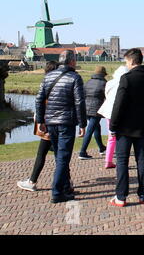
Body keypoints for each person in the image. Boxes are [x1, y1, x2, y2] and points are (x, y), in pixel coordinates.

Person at [109, 49, 144, 207]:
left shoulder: (127, 78)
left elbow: (119, 105)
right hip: (142, 124)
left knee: (122, 161)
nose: (126, 65)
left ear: (131, 61)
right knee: (142, 159)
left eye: (126, 62)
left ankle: (121, 196)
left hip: (125, 127)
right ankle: (143, 194)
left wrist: (113, 125)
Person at [35, 50, 87, 203]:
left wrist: (41, 121)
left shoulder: (48, 76)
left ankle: (64, 187)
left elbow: (39, 100)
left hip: (51, 121)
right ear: (72, 61)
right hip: (66, 122)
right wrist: (82, 123)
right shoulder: (75, 77)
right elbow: (79, 102)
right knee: (63, 158)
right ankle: (57, 192)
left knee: (59, 156)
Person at [17, 61, 63, 192]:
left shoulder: (47, 85)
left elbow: (41, 103)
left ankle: (32, 181)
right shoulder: (62, 85)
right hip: (60, 124)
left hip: (48, 124)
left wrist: (39, 120)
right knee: (60, 155)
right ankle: (66, 182)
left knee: (42, 154)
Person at [97, 65, 129, 169]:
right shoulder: (126, 83)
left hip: (108, 112)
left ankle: (108, 160)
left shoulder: (109, 83)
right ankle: (121, 161)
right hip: (121, 112)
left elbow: (106, 94)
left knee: (111, 137)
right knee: (123, 137)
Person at [78, 66, 108, 160]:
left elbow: (82, 95)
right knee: (90, 130)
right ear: (103, 74)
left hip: (86, 109)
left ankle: (101, 148)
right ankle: (82, 152)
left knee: (96, 127)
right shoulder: (104, 83)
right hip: (96, 109)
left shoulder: (88, 82)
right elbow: (107, 96)